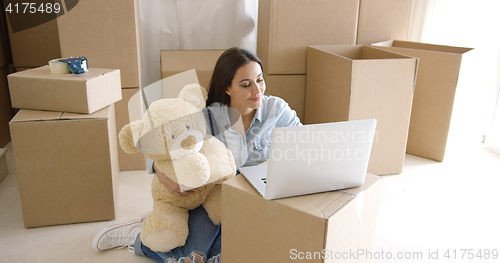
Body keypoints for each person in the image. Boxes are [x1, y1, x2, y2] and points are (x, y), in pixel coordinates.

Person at [92, 47, 302, 263]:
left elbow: (304, 145)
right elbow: (160, 156)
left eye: (260, 80)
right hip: (208, 200)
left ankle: (153, 229)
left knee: (228, 255)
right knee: (192, 257)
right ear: (227, 88)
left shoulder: (277, 111)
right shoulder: (204, 117)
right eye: (246, 84)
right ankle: (139, 237)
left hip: (251, 203)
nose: (257, 90)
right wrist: (167, 179)